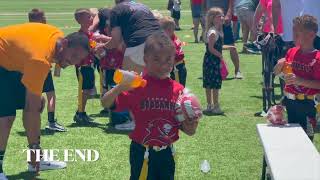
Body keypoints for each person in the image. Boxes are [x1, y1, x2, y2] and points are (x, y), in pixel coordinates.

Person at [101, 31, 199, 180]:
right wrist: (120, 87)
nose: (163, 65)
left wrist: (191, 123)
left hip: (167, 153)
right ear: (145, 59)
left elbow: (188, 131)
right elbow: (106, 102)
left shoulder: (178, 89)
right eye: (156, 59)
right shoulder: (137, 85)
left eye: (168, 60)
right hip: (142, 152)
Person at [0, 23, 90, 179]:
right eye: (74, 55)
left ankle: (34, 160)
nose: (74, 62)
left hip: (10, 62)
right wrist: (34, 147)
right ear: (65, 44)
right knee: (7, 116)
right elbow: (30, 109)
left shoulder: (58, 36)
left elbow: (24, 49)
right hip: (3, 63)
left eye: (79, 59)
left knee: (38, 103)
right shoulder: (40, 59)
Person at [274, 15, 320, 141]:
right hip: (289, 102)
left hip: (308, 105)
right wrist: (278, 68)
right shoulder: (291, 52)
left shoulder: (317, 58)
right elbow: (282, 75)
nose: (293, 35)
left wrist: (300, 81)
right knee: (288, 138)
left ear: (311, 35)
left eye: (297, 32)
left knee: (305, 140)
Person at [28, 8, 66, 132]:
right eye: (43, 16)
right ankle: (51, 122)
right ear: (40, 19)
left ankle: (30, 120)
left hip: (27, 68)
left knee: (31, 95)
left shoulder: (25, 31)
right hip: (42, 67)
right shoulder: (46, 31)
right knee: (50, 94)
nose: (45, 18)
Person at [98, 0, 160, 74]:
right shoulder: (142, 6)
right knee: (155, 80)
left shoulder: (116, 10)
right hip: (162, 42)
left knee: (128, 81)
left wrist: (103, 47)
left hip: (140, 42)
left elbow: (116, 41)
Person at [204, 0, 244, 79]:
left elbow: (231, 2)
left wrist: (228, 14)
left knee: (232, 46)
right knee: (212, 47)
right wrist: (205, 14)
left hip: (224, 20)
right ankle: (212, 70)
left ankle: (237, 70)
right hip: (211, 19)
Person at [73, 8, 96, 124]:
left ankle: (81, 112)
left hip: (89, 66)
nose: (91, 18)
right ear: (80, 20)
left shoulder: (89, 33)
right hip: (83, 66)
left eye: (91, 16)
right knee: (85, 91)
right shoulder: (81, 35)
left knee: (88, 90)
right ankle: (80, 113)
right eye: (88, 17)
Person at [203, 7, 225, 115]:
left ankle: (213, 105)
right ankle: (212, 106)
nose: (222, 18)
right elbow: (211, 48)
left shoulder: (219, 31)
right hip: (211, 60)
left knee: (215, 83)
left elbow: (218, 46)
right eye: (219, 16)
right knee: (210, 84)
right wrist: (220, 56)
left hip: (215, 59)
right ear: (213, 18)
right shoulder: (213, 32)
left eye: (222, 15)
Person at [160, 16, 187, 87]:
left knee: (178, 90)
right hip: (169, 68)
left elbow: (179, 55)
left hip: (177, 69)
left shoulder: (174, 41)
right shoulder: (164, 39)